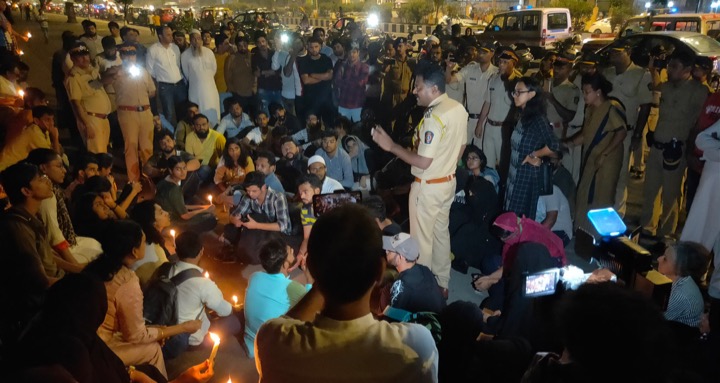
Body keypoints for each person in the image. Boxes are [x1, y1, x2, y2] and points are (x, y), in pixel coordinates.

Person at [254, 204, 438, 382]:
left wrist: (321, 278)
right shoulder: (417, 347)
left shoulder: (271, 341)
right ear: (380, 271)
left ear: (310, 267)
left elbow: (283, 323)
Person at [372, 63, 468, 293]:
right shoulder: (457, 108)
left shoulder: (434, 117)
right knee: (440, 234)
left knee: (422, 242)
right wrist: (445, 166)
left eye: (418, 87)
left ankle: (423, 290)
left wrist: (392, 146)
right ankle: (442, 283)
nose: (414, 91)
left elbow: (423, 161)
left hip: (428, 188)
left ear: (434, 89)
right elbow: (462, 146)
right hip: (447, 182)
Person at [83, 220, 202, 378]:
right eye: (144, 242)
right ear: (134, 251)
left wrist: (158, 330)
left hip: (84, 337)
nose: (147, 245)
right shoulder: (126, 281)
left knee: (152, 335)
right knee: (153, 348)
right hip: (97, 348)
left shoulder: (96, 266)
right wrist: (184, 327)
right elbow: (136, 336)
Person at [641, 51, 708, 239]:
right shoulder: (667, 87)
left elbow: (701, 123)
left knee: (671, 195)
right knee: (650, 190)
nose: (669, 70)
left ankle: (667, 234)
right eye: (669, 66)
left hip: (677, 148)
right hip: (657, 146)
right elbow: (655, 91)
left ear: (688, 69)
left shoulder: (699, 91)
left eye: (674, 66)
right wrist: (653, 70)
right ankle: (647, 228)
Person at [564, 73, 626, 233]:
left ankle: (600, 235)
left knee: (601, 198)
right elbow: (586, 134)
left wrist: (605, 154)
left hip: (606, 163)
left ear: (598, 92)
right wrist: (568, 144)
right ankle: (582, 230)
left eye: (587, 92)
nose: (584, 95)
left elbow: (621, 132)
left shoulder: (612, 107)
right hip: (592, 158)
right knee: (584, 194)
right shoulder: (590, 109)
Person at [163, 231, 241, 358]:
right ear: (201, 251)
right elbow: (225, 310)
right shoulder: (202, 283)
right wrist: (234, 309)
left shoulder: (165, 268)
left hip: (167, 331)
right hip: (191, 339)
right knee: (235, 320)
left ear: (176, 250)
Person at [26, 149, 102, 266]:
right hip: (53, 249)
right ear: (44, 168)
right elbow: (54, 235)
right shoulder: (46, 195)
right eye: (59, 166)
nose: (64, 170)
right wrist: (74, 265)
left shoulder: (55, 190)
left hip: (65, 240)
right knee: (97, 255)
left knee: (95, 244)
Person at [603, 43, 653, 217]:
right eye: (611, 53)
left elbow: (645, 106)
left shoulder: (641, 74)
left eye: (617, 53)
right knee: (603, 173)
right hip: (604, 131)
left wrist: (638, 135)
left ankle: (618, 214)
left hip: (626, 131)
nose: (612, 56)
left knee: (620, 175)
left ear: (628, 52)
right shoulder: (607, 73)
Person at [244, 238, 311, 358]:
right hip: (271, 348)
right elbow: (312, 305)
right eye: (290, 251)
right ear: (285, 264)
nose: (292, 249)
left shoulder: (254, 276)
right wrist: (309, 279)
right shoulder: (292, 288)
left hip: (250, 339)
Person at [504, 76, 560, 220]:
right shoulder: (522, 115)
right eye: (514, 92)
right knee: (510, 218)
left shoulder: (538, 119)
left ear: (532, 94)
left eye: (519, 92)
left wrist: (535, 155)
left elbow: (554, 145)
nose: (515, 96)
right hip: (514, 175)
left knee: (518, 220)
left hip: (525, 177)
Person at [113, 45, 156, 182]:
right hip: (127, 112)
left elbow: (152, 91)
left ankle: (148, 179)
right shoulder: (116, 72)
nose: (129, 56)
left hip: (145, 111)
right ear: (121, 55)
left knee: (147, 147)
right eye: (125, 53)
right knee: (131, 146)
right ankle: (134, 181)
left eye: (132, 53)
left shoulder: (142, 71)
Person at [446, 41, 498, 149]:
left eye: (484, 52)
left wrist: (480, 124)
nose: (481, 54)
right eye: (479, 51)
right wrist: (448, 69)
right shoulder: (470, 69)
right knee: (462, 152)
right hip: (468, 120)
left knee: (481, 155)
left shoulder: (496, 73)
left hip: (486, 122)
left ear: (492, 53)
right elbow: (450, 80)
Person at [65, 43, 113, 153]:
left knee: (103, 151)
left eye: (86, 55)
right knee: (96, 153)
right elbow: (76, 103)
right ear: (73, 59)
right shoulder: (74, 78)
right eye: (80, 57)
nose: (84, 59)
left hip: (103, 119)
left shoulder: (93, 71)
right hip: (92, 119)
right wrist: (87, 125)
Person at [384, 232, 446, 314]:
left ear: (400, 257)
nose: (386, 251)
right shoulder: (424, 269)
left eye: (390, 251)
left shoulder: (401, 285)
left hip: (424, 324)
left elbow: (392, 317)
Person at [154, 156, 217, 234]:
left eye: (184, 168)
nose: (183, 172)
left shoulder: (164, 180)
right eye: (178, 169)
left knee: (198, 204)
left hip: (166, 216)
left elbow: (179, 205)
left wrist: (203, 207)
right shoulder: (174, 189)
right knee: (210, 219)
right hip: (171, 222)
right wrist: (205, 210)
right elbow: (185, 216)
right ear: (170, 170)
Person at [657, 242, 709, 329]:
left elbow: (653, 320)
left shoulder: (680, 294)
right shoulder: (678, 281)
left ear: (680, 269)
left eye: (665, 259)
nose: (659, 259)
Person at [0, 105, 62, 171]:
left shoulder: (44, 131)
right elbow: (54, 159)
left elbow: (55, 152)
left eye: (52, 119)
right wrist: (55, 138)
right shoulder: (34, 132)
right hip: (6, 169)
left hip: (16, 167)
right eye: (47, 120)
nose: (52, 123)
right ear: (36, 121)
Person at [146, 25, 187, 125]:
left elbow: (178, 65)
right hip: (165, 86)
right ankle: (170, 136)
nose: (171, 37)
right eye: (168, 35)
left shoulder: (175, 48)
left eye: (171, 34)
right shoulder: (153, 50)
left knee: (183, 111)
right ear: (160, 36)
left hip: (179, 84)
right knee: (169, 113)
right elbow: (149, 71)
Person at [128, 200, 172, 287]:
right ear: (153, 223)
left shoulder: (152, 241)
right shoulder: (151, 252)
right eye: (161, 213)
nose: (166, 213)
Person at [181, 29, 220, 126]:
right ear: (190, 40)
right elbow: (186, 73)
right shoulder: (185, 55)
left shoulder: (209, 52)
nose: (196, 41)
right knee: (198, 114)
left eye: (198, 38)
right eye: (193, 39)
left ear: (201, 40)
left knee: (213, 114)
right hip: (195, 90)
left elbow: (214, 69)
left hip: (210, 89)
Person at [297, 36, 335, 127]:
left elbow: (329, 76)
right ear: (307, 47)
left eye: (316, 47)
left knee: (329, 126)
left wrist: (312, 75)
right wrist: (323, 76)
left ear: (320, 46)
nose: (314, 49)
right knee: (313, 128)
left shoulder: (326, 59)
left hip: (327, 99)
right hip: (311, 100)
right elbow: (306, 80)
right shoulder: (304, 61)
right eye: (311, 47)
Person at [213, 138, 255, 206]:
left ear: (240, 149)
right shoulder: (224, 160)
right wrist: (226, 191)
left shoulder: (247, 160)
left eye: (236, 148)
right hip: (226, 187)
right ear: (227, 151)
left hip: (244, 188)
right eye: (231, 150)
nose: (234, 152)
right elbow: (217, 179)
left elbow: (251, 179)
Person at [334, 42, 369, 122]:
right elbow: (337, 82)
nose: (352, 55)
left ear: (358, 53)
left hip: (357, 105)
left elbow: (361, 82)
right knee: (343, 130)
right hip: (343, 104)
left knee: (358, 130)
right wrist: (354, 82)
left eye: (354, 52)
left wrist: (345, 81)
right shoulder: (342, 66)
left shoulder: (364, 67)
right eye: (350, 53)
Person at [253, 32, 283, 116]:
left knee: (280, 114)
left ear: (266, 41)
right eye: (259, 42)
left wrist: (263, 72)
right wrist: (271, 71)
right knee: (264, 116)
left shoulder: (274, 53)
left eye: (263, 41)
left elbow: (279, 70)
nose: (262, 44)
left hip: (277, 88)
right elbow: (256, 73)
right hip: (263, 89)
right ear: (256, 44)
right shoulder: (255, 57)